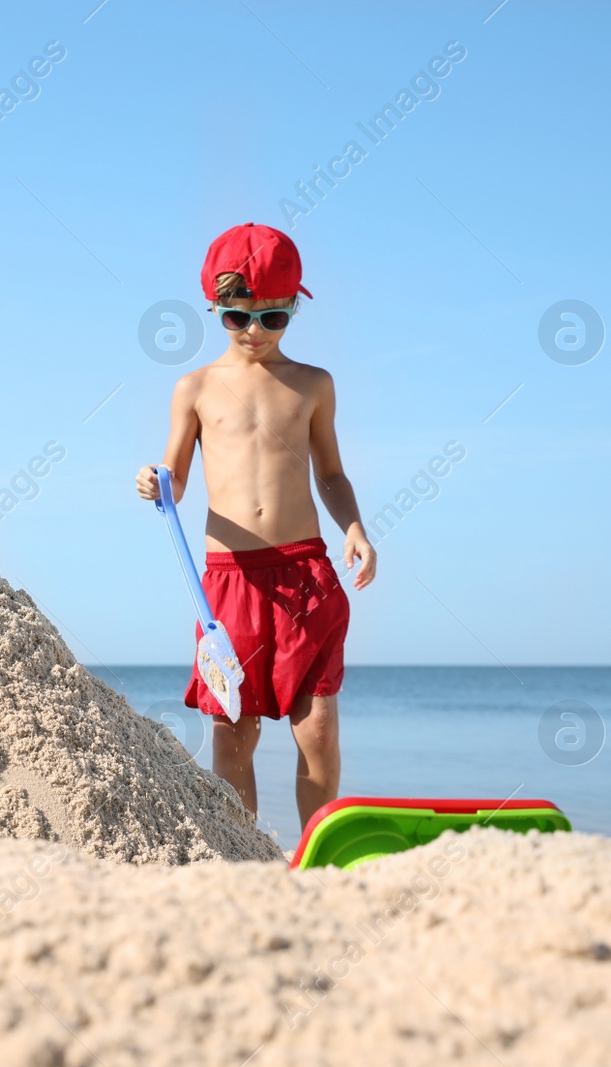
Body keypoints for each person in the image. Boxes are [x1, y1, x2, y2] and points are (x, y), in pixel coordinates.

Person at [136, 223, 376, 831]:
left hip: (304, 573)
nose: (255, 332)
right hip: (228, 581)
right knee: (232, 733)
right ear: (214, 310)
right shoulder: (194, 388)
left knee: (317, 728)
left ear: (296, 306)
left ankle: (314, 857)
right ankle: (245, 856)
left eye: (274, 318)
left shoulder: (313, 384)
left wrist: (355, 528)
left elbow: (332, 475)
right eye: (238, 317)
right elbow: (177, 476)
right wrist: (157, 481)